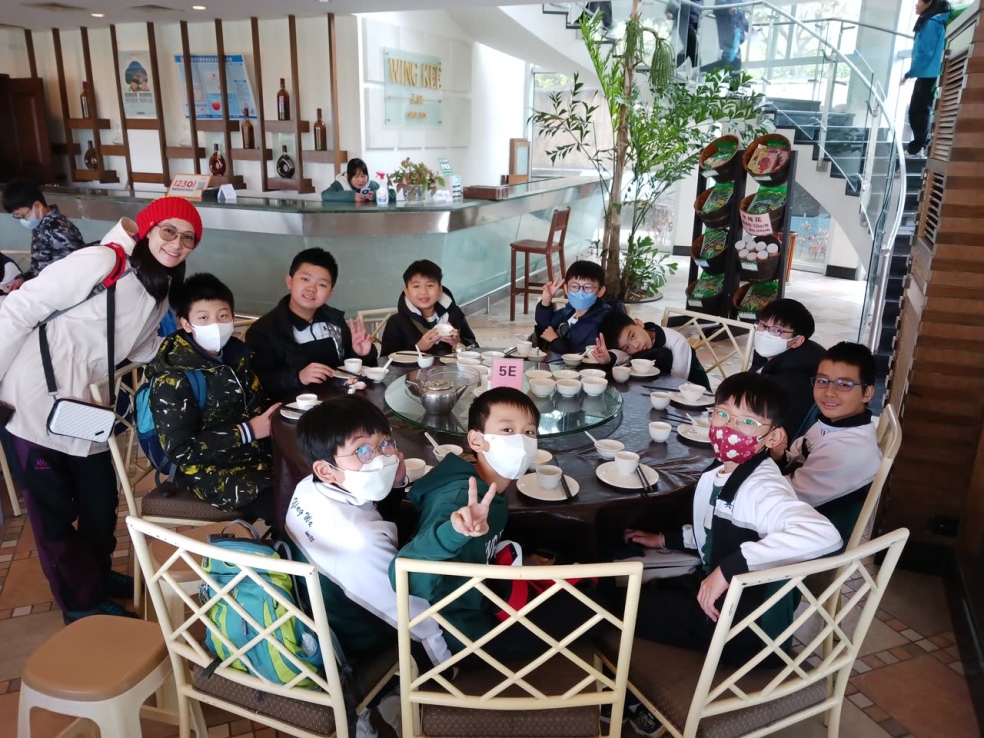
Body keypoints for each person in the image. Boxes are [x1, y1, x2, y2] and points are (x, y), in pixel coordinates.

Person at [0, 196, 201, 623]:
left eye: (188, 238)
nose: (176, 243)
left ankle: (97, 574)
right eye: (168, 231)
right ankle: (81, 604)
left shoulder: (158, 285)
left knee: (100, 501)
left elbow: (139, 347)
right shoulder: (102, 261)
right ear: (147, 230)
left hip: (86, 406)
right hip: (34, 399)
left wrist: (190, 343)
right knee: (53, 514)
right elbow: (18, 309)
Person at [622, 373, 841, 665]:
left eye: (747, 421)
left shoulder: (763, 488)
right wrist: (665, 540)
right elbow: (715, 528)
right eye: (723, 414)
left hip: (746, 630)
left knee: (613, 606)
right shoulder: (723, 470)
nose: (728, 428)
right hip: (719, 602)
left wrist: (728, 570)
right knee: (632, 591)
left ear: (773, 437)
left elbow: (824, 534)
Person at [286, 395, 452, 666]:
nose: (382, 458)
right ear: (326, 470)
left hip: (318, 605)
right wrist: (445, 667)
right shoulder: (361, 539)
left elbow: (373, 518)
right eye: (362, 450)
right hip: (358, 642)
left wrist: (394, 485)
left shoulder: (307, 486)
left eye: (385, 444)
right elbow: (416, 618)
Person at [390, 388, 547, 658]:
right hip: (461, 635)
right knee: (593, 610)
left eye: (529, 432)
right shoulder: (458, 499)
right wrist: (453, 532)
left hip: (482, 606)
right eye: (507, 430)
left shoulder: (491, 490)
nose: (521, 442)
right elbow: (405, 576)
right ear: (476, 440)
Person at [145, 273, 280, 522]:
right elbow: (180, 450)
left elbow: (258, 403)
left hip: (258, 457)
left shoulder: (237, 355)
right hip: (212, 472)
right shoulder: (173, 377)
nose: (216, 324)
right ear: (186, 324)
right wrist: (248, 431)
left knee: (313, 483)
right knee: (292, 510)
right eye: (203, 318)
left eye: (223, 316)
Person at [773, 342, 881, 544]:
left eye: (844, 384)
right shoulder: (833, 423)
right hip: (799, 521)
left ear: (867, 393)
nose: (829, 392)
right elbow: (799, 456)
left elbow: (785, 497)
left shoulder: (847, 451)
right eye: (822, 381)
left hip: (812, 543)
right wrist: (779, 456)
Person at [245, 247, 377, 400]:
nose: (311, 289)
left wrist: (361, 355)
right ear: (290, 281)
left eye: (322, 285)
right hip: (293, 408)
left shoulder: (335, 321)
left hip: (339, 402)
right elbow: (259, 384)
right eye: (305, 279)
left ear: (330, 293)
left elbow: (355, 373)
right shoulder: (263, 330)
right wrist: (298, 377)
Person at [751, 298, 826, 441]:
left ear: (797, 341)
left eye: (777, 330)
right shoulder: (769, 359)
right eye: (762, 325)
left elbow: (775, 434)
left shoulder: (793, 382)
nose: (765, 333)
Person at [379, 259, 477, 357]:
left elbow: (475, 347)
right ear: (407, 292)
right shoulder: (396, 322)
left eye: (430, 285)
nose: (423, 292)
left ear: (440, 289)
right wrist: (418, 348)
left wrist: (458, 343)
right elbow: (385, 359)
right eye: (416, 286)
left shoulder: (454, 314)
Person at [594, 310, 711, 389]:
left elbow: (678, 381)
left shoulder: (675, 340)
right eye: (627, 347)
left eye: (633, 336)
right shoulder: (633, 349)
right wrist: (607, 359)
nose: (635, 346)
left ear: (639, 323)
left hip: (695, 389)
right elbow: (622, 356)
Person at [2, 179, 87, 280]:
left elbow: (66, 272)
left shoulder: (58, 229)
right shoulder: (40, 227)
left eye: (23, 215)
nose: (23, 220)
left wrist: (33, 285)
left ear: (37, 206)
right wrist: (23, 278)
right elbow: (40, 267)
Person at [902, 0, 951, 156]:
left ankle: (919, 146)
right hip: (927, 73)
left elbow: (925, 53)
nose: (916, 5)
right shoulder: (931, 21)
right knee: (917, 111)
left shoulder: (931, 23)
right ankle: (920, 144)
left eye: (919, 2)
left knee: (919, 111)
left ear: (928, 3)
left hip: (929, 73)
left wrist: (909, 73)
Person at [534, 260, 611, 354]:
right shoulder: (570, 311)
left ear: (600, 291)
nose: (580, 293)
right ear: (566, 289)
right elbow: (546, 326)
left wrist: (554, 341)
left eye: (587, 287)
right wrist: (546, 300)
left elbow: (581, 353)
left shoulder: (604, 320)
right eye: (574, 286)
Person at [666, 0, 701, 68]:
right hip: (684, 19)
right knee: (694, 47)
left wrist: (697, 24)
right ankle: (698, 69)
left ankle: (669, 68)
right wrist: (671, 11)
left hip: (692, 21)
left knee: (689, 48)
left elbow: (698, 7)